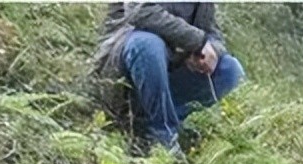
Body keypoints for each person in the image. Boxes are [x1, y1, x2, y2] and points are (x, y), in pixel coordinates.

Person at [95, 3, 244, 154]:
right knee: (147, 44)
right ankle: (161, 136)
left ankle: (155, 122)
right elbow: (141, 12)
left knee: (229, 69)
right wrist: (197, 41)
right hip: (126, 66)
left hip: (173, 68)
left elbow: (212, 33)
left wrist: (207, 52)